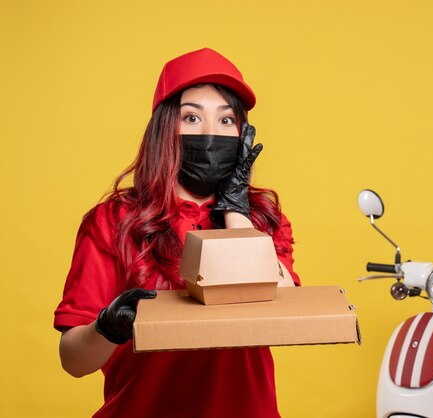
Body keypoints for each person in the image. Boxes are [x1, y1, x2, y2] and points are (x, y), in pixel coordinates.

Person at [54, 48, 300, 418]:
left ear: (242, 133)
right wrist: (107, 327)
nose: (209, 134)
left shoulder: (263, 219)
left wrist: (235, 209)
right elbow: (73, 360)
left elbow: (282, 309)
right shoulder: (113, 220)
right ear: (165, 128)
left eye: (226, 120)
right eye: (191, 117)